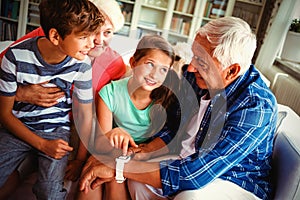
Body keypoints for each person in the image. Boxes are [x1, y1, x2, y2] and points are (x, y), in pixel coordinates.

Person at [78, 16, 278, 200]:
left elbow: (195, 175)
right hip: (189, 157)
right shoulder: (197, 78)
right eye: (194, 56)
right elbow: (173, 128)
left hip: (232, 181)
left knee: (189, 197)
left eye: (201, 62)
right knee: (137, 179)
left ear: (232, 70)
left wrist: (117, 166)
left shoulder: (255, 107)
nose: (190, 68)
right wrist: (136, 154)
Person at [0, 0, 126, 198]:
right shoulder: (28, 49)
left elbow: (88, 116)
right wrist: (20, 94)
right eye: (90, 34)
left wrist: (80, 159)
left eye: (108, 32)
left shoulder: (94, 63)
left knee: (49, 190)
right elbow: (5, 110)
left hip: (59, 129)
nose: (97, 41)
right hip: (20, 123)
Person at [78, 34, 179, 199]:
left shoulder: (168, 100)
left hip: (143, 155)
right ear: (133, 63)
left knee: (114, 180)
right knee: (92, 175)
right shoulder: (109, 93)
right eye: (149, 64)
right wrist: (113, 133)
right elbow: (101, 142)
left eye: (163, 70)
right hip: (113, 149)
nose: (154, 75)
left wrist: (130, 155)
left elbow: (166, 142)